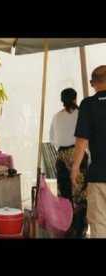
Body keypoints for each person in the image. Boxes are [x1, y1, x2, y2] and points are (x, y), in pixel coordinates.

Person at [71, 65, 106, 238]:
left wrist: (75, 167)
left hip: (99, 176)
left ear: (93, 83)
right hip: (98, 176)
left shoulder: (88, 104)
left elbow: (82, 141)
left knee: (99, 225)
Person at [49, 88, 88, 238]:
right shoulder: (81, 114)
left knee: (64, 196)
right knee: (80, 195)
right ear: (75, 98)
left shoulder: (56, 116)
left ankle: (66, 230)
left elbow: (52, 138)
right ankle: (79, 231)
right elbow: (86, 138)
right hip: (77, 154)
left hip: (61, 156)